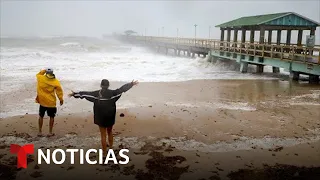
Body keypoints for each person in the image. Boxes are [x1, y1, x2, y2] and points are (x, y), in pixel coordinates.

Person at [68, 79, 138, 155]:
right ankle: (111, 148)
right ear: (108, 85)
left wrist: (74, 94)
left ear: (101, 85)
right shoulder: (113, 93)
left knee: (103, 135)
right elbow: (121, 89)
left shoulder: (96, 94)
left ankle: (104, 153)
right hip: (110, 116)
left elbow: (85, 94)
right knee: (110, 132)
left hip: (100, 116)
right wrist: (131, 84)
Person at [35, 68, 64, 137]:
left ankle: (40, 132)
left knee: (41, 116)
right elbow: (59, 91)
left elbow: (38, 74)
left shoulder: (40, 78)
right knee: (51, 117)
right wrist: (61, 99)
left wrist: (44, 70)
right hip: (51, 103)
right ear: (52, 73)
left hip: (42, 102)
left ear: (46, 73)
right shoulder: (56, 82)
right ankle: (50, 132)